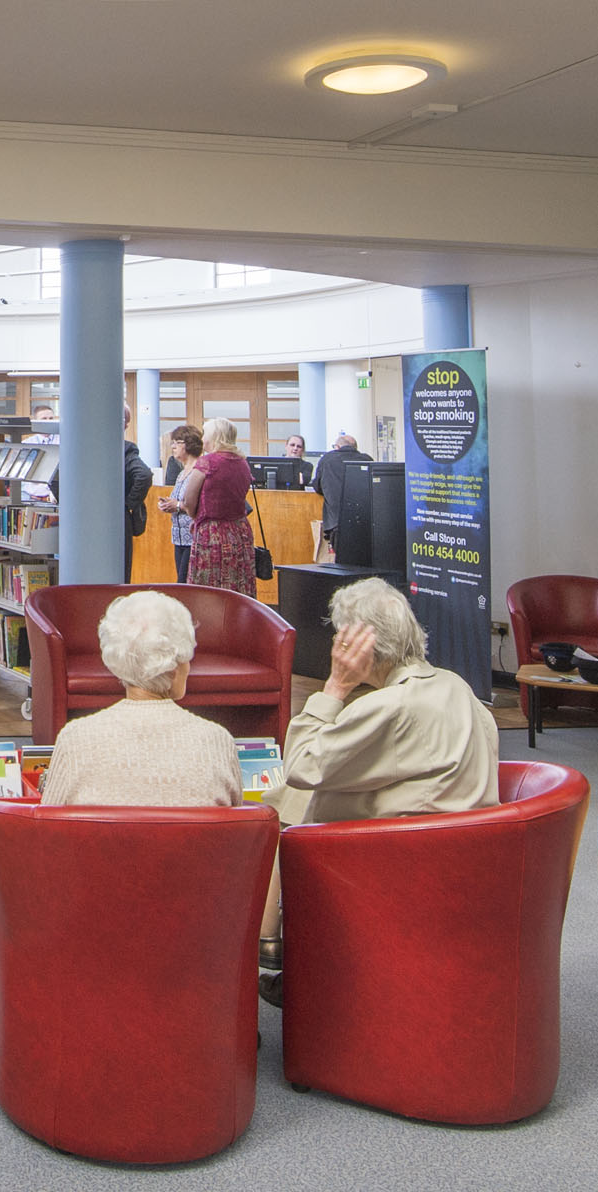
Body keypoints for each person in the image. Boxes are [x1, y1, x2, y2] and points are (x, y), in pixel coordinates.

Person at [259, 578, 499, 1002]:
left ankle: (266, 940)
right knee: (292, 795)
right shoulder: (455, 686)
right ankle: (272, 941)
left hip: (392, 864)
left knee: (283, 793)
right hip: (462, 855)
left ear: (359, 646)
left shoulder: (390, 706)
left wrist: (334, 686)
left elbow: (298, 765)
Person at [38, 592, 242, 807]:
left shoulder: (75, 738)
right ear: (175, 667)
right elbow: (237, 828)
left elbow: (47, 827)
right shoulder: (218, 740)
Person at [45, 403, 155, 580]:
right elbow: (144, 475)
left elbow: (53, 477)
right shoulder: (124, 449)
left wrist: (67, 503)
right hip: (116, 522)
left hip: (80, 520)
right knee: (117, 575)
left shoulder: (77, 447)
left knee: (81, 574)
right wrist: (127, 504)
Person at [181, 418, 258, 592]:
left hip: (212, 533)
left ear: (215, 436)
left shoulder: (207, 462)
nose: (202, 439)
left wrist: (195, 517)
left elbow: (188, 501)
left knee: (209, 587)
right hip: (240, 531)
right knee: (238, 584)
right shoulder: (242, 463)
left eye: (205, 434)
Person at [314, 428, 383, 576]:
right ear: (355, 448)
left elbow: (317, 486)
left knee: (342, 568)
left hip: (337, 523)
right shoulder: (367, 459)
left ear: (337, 447)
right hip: (365, 522)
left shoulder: (327, 459)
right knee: (364, 567)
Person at [158, 423, 204, 579]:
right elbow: (179, 499)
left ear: (189, 444)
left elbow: (198, 503)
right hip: (178, 537)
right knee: (181, 579)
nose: (173, 447)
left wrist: (177, 505)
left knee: (184, 582)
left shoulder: (199, 470)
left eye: (178, 442)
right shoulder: (182, 472)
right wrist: (167, 503)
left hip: (193, 537)